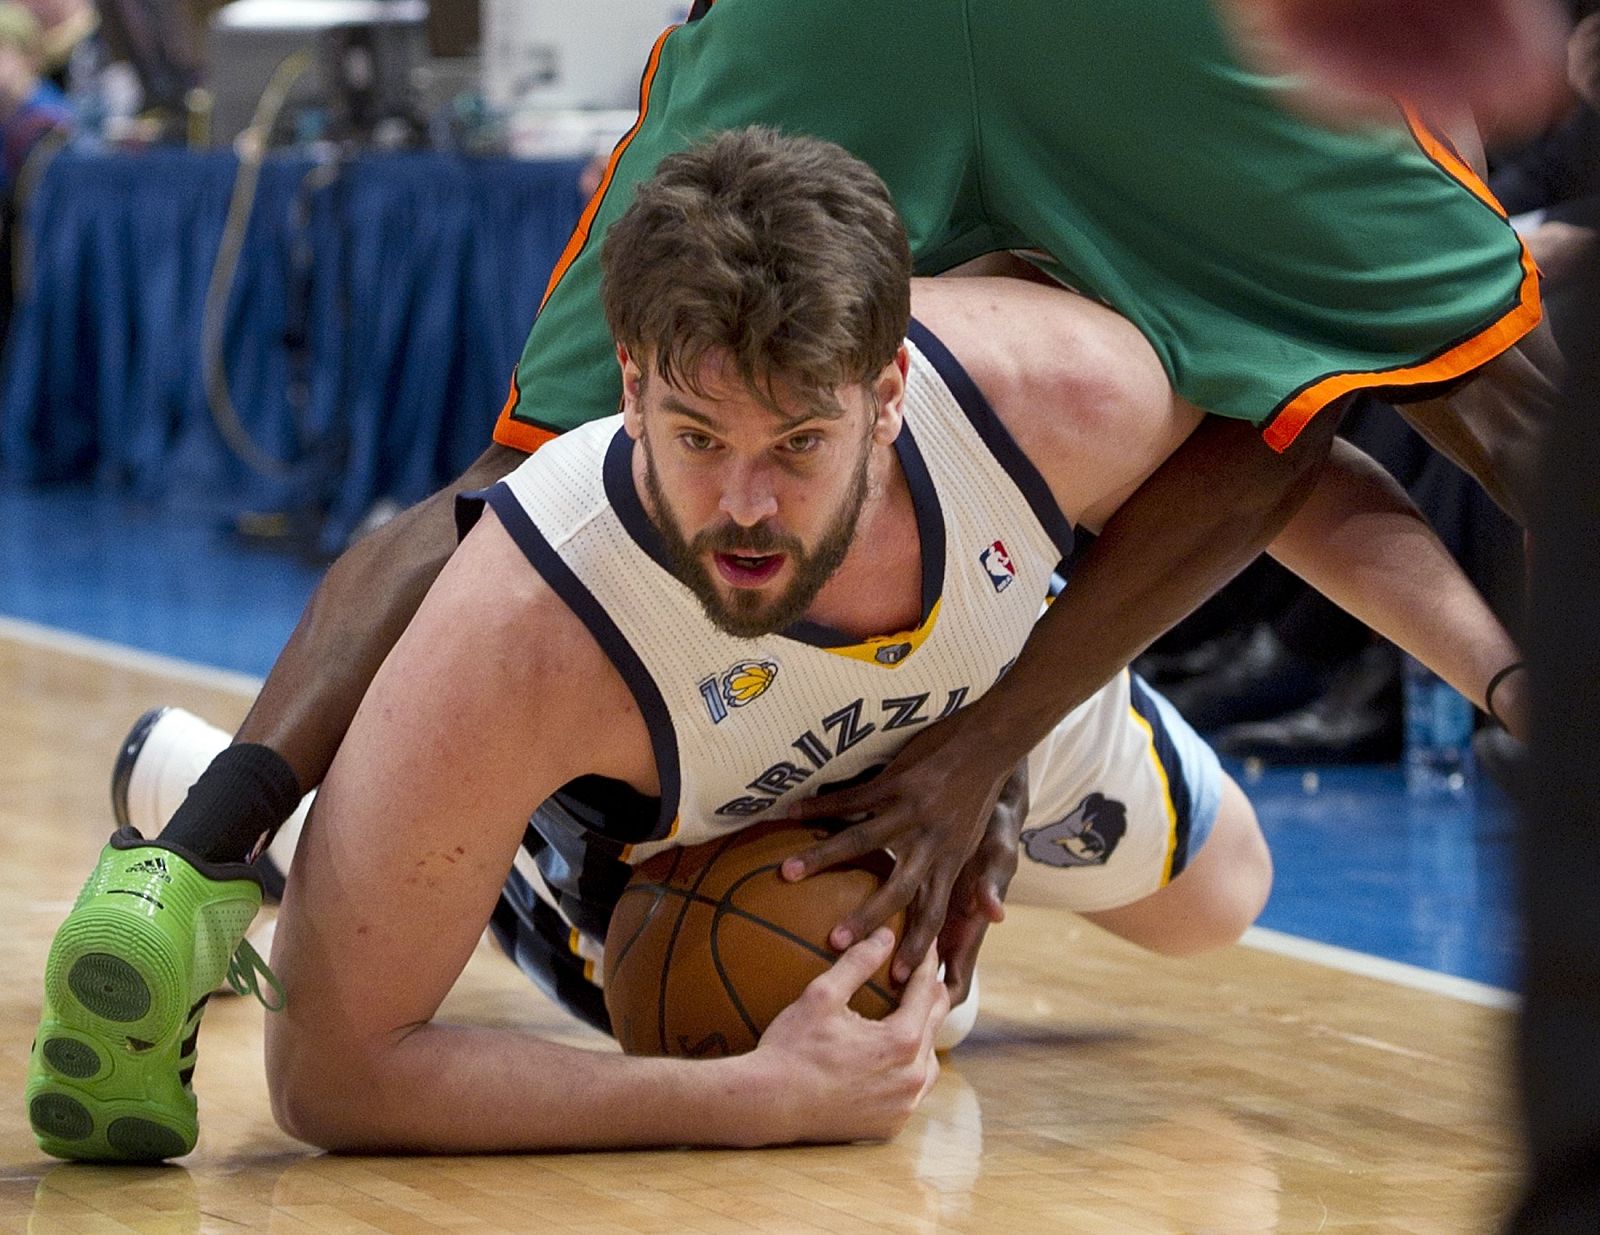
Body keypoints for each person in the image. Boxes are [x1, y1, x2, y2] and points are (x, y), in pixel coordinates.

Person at [29, 130, 1531, 1158]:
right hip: (684, 824)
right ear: (627, 380)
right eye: (694, 436)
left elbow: (1284, 451)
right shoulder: (527, 627)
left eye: (799, 443)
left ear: (887, 398)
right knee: (701, 991)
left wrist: (1507, 678)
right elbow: (336, 1084)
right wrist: (759, 1098)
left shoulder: (1044, 388)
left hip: (1004, 689)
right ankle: (394, 854)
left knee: (1226, 898)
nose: (743, 508)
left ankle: (302, 825)